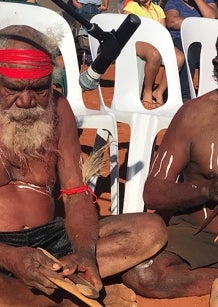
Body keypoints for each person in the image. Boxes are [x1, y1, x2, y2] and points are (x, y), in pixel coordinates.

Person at [0, 25, 168, 306]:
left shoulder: (57, 108)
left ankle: (53, 284)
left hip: (51, 242)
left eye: (39, 89)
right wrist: (9, 256)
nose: (27, 101)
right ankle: (58, 291)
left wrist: (84, 251)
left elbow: (76, 193)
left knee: (151, 229)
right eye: (14, 90)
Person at [121, 37, 218, 299]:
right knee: (144, 273)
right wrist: (208, 189)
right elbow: (154, 192)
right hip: (202, 234)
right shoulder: (194, 115)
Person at [123, 0, 184, 108]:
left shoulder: (158, 9)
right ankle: (147, 91)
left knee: (179, 57)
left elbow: (162, 31)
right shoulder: (131, 6)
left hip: (155, 41)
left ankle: (159, 91)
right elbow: (128, 29)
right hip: (137, 40)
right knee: (154, 54)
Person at [164, 0, 218, 102]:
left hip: (203, 42)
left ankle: (209, 96)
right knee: (189, 52)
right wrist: (200, 22)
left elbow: (212, 18)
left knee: (211, 54)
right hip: (179, 39)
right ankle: (184, 96)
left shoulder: (208, 2)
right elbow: (172, 22)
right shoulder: (174, 2)